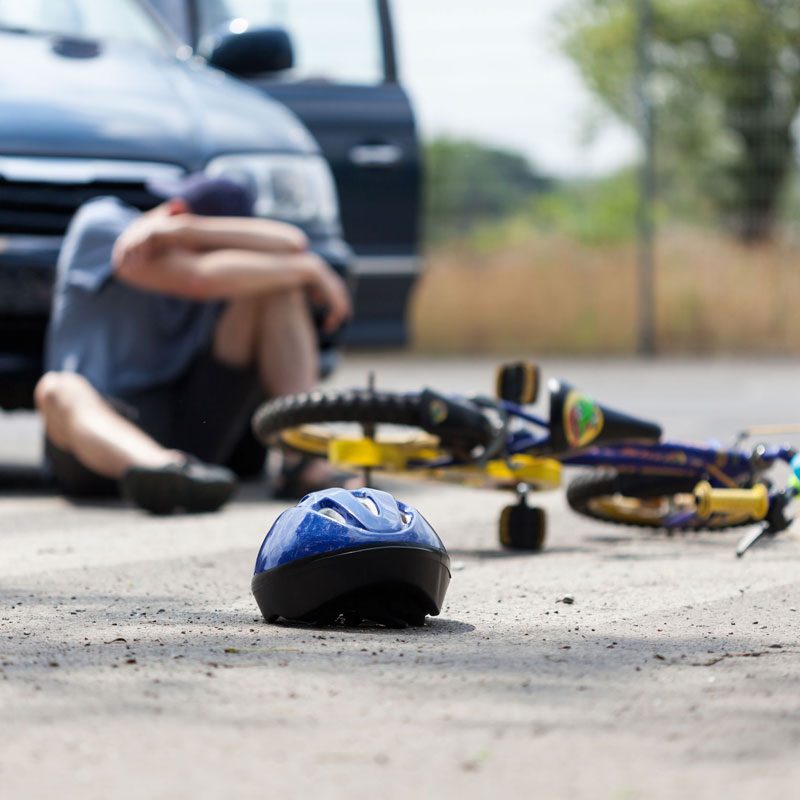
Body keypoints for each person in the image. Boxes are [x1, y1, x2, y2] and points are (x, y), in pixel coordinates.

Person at [35, 174, 354, 513]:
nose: (165, 213)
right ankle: (166, 473)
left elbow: (293, 243)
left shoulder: (197, 241)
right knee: (58, 388)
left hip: (189, 429)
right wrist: (308, 269)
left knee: (278, 286)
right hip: (94, 441)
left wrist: (188, 230)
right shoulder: (104, 226)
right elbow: (197, 278)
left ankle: (302, 460)